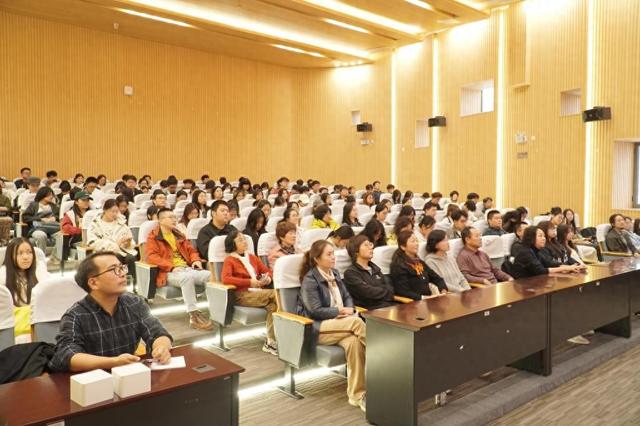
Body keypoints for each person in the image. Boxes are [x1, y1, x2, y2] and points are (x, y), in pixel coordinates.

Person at [48, 252, 173, 372]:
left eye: (122, 268)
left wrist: (161, 347)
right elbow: (67, 356)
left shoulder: (134, 303)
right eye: (114, 270)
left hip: (129, 375)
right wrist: (114, 362)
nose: (123, 274)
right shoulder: (75, 316)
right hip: (92, 379)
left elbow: (157, 333)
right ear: (93, 283)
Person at [298, 240, 366, 411]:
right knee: (357, 322)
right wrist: (340, 311)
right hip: (318, 327)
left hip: (341, 323)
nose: (333, 257)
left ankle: (357, 395)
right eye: (329, 254)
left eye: (333, 253)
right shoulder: (310, 280)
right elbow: (314, 311)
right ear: (317, 259)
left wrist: (349, 309)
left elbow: (347, 296)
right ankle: (384, 358)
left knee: (354, 343)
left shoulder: (334, 273)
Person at [146, 208, 213, 330]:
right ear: (161, 220)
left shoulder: (178, 235)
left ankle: (215, 312)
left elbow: (191, 251)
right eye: (170, 217)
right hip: (167, 272)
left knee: (210, 275)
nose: (174, 220)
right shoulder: (153, 237)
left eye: (175, 217)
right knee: (186, 278)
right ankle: (194, 316)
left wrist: (195, 260)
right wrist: (171, 267)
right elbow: (152, 257)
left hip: (187, 268)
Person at [221, 230, 278, 355]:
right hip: (241, 295)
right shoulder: (229, 260)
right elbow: (226, 279)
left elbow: (268, 271)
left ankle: (270, 342)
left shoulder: (252, 257)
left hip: (257, 292)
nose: (244, 241)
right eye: (240, 240)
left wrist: (267, 279)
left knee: (274, 306)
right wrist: (249, 282)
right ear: (232, 244)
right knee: (277, 295)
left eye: (244, 239)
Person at [0, 238, 50, 339]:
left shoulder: (39, 269)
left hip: (38, 322)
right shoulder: (3, 275)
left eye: (29, 252)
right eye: (20, 253)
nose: (26, 257)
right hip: (14, 327)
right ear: (11, 256)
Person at [510, 226, 585, 279]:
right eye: (540, 236)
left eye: (544, 236)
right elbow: (541, 270)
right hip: (523, 285)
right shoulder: (525, 252)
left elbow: (550, 263)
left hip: (535, 282)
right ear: (531, 238)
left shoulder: (537, 251)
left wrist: (571, 267)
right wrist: (565, 268)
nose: (544, 239)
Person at [390, 230, 447, 300]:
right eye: (413, 241)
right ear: (403, 247)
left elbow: (437, 278)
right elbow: (402, 292)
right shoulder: (398, 266)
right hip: (413, 302)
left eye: (417, 240)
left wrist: (443, 290)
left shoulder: (419, 262)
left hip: (428, 299)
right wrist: (423, 298)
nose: (417, 243)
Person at [343, 235, 396, 310]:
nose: (371, 248)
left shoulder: (375, 268)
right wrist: (385, 291)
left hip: (388, 305)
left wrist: (384, 292)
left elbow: (390, 288)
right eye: (366, 245)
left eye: (370, 244)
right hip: (370, 310)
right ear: (356, 250)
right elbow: (368, 293)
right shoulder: (351, 273)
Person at [87, 199, 137, 268]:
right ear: (105, 210)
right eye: (112, 211)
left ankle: (130, 275)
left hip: (122, 251)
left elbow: (130, 240)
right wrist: (115, 244)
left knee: (131, 258)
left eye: (117, 212)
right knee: (116, 257)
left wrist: (128, 243)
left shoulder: (121, 223)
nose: (114, 214)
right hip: (104, 252)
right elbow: (92, 243)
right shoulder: (95, 225)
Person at [23, 186, 60, 253]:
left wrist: (55, 218)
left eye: (52, 195)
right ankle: (41, 255)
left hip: (52, 227)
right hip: (38, 228)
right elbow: (25, 217)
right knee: (41, 235)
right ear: (42, 195)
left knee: (62, 236)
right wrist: (40, 219)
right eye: (49, 195)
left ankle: (56, 256)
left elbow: (59, 216)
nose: (51, 197)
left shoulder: (53, 206)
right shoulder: (34, 205)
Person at [61, 191, 92, 258]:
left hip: (92, 238)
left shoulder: (92, 213)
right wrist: (80, 230)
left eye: (88, 200)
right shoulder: (70, 214)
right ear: (76, 202)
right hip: (78, 240)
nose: (86, 202)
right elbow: (65, 228)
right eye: (83, 200)